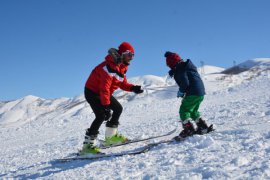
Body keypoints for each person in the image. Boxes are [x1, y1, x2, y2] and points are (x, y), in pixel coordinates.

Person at [82, 42, 144, 154]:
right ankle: (87, 147)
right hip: (92, 92)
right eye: (129, 55)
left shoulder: (121, 67)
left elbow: (122, 83)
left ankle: (110, 138)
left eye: (133, 55)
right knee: (101, 115)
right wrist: (105, 106)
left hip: (103, 92)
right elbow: (104, 88)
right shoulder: (109, 67)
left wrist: (133, 88)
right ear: (122, 54)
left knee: (118, 109)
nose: (131, 58)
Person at [164, 51, 211, 140]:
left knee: (184, 110)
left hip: (192, 93)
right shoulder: (186, 67)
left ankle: (189, 130)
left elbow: (185, 83)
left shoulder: (180, 69)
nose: (169, 67)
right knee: (193, 111)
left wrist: (181, 91)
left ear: (172, 63)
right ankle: (203, 127)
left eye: (168, 65)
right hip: (200, 93)